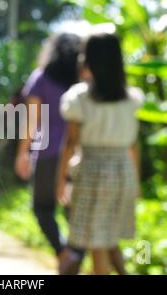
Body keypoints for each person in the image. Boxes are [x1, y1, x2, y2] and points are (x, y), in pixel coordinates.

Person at [56, 33, 144, 275]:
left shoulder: (79, 98)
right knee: (108, 238)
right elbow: (133, 146)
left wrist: (61, 181)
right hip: (123, 172)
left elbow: (70, 143)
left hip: (92, 172)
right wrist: (135, 182)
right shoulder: (132, 98)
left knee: (97, 244)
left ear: (89, 60)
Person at [15, 33, 84, 274]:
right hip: (79, 156)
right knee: (76, 215)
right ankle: (73, 257)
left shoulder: (41, 77)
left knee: (43, 208)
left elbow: (32, 121)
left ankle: (63, 253)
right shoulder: (83, 80)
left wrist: (22, 153)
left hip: (46, 154)